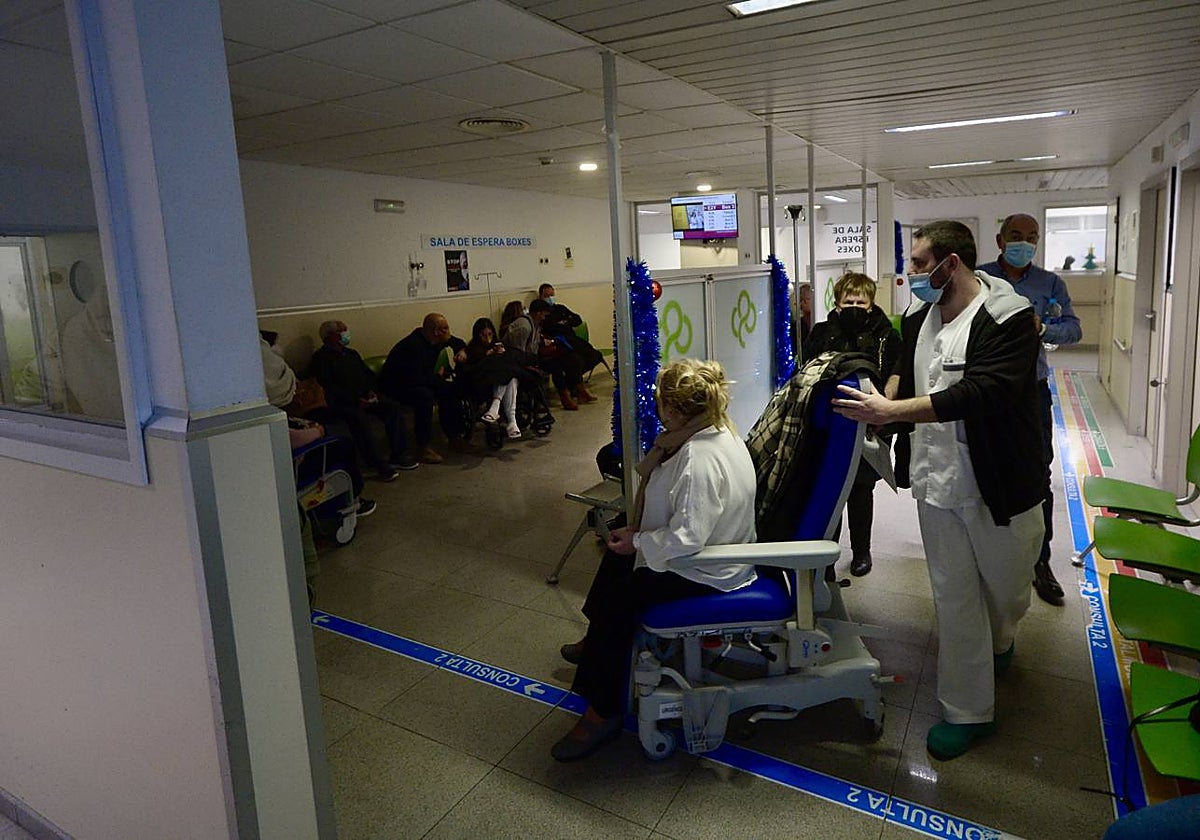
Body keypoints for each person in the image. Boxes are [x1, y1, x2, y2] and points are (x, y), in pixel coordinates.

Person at [831, 220, 1044, 761]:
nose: (912, 274)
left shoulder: (1008, 317)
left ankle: (1004, 635)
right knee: (954, 599)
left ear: (952, 264)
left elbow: (985, 392)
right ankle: (967, 711)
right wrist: (884, 407)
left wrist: (893, 409)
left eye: (921, 264)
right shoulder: (916, 314)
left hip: (999, 485)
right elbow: (907, 372)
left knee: (1008, 591)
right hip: (937, 482)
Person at [552, 359, 757, 761]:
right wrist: (637, 537)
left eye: (661, 402)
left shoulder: (698, 458)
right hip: (707, 551)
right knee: (616, 556)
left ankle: (603, 711)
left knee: (622, 599)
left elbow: (688, 537)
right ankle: (595, 642)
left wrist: (642, 542)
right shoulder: (712, 431)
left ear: (673, 410)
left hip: (709, 567)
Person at [977, 213, 1083, 607]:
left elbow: (1074, 329)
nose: (1025, 243)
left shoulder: (1050, 283)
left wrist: (1043, 329)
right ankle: (986, 553)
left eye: (1032, 237)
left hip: (1030, 389)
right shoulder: (980, 277)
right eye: (1017, 236)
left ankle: (1041, 561)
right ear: (1000, 239)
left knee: (1038, 471)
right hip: (985, 386)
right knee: (983, 466)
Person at [802, 272, 900, 577]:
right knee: (829, 489)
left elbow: (896, 373)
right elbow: (808, 370)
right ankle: (826, 556)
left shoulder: (887, 336)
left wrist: (883, 407)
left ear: (871, 304)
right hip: (831, 422)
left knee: (860, 489)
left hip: (873, 422)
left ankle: (862, 552)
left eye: (861, 301)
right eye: (849, 301)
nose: (855, 305)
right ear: (837, 303)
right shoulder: (821, 332)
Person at [307, 319, 417, 479]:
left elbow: (367, 376)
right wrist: (356, 400)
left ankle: (399, 454)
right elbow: (329, 388)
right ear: (331, 336)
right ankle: (377, 464)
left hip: (365, 397)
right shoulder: (321, 359)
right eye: (342, 331)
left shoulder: (352, 354)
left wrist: (371, 392)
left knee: (392, 407)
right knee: (359, 419)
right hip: (343, 403)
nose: (346, 334)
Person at [378, 313, 469, 464]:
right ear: (436, 331)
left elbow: (456, 342)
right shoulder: (412, 346)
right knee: (424, 397)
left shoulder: (434, 340)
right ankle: (422, 447)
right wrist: (437, 378)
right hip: (397, 387)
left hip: (421, 380)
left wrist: (462, 350)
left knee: (450, 390)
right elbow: (413, 378)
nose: (448, 331)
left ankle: (455, 437)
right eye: (445, 328)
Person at [502, 298, 585, 411]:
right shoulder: (524, 327)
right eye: (544, 315)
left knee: (567, 359)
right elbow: (518, 352)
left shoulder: (535, 324)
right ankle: (564, 398)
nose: (545, 318)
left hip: (532, 357)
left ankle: (573, 392)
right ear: (538, 313)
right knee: (556, 366)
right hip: (520, 361)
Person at [537, 283, 606, 392]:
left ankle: (572, 380)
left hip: (573, 339)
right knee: (576, 361)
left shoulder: (560, 308)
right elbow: (552, 328)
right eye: (547, 296)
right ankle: (575, 386)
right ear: (541, 296)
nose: (551, 298)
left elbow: (577, 319)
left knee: (595, 355)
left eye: (552, 295)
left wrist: (566, 322)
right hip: (561, 342)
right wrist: (565, 322)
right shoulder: (543, 313)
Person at [462, 317, 522, 440]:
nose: (487, 338)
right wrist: (487, 356)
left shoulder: (498, 346)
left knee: (510, 376)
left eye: (490, 334)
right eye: (483, 335)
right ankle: (511, 419)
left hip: (501, 382)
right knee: (507, 374)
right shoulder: (473, 350)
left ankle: (498, 408)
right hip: (483, 383)